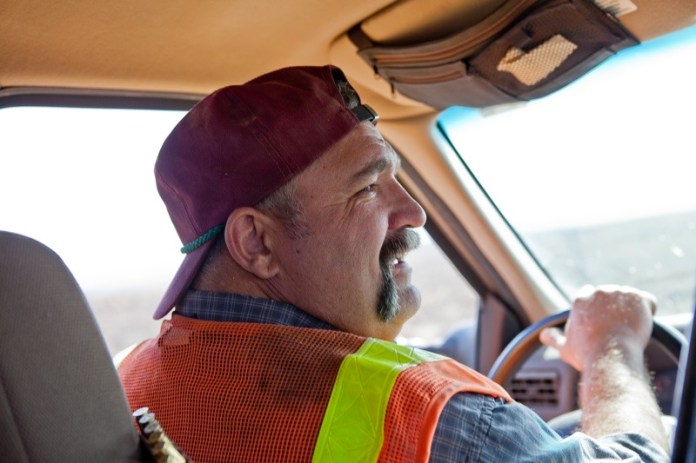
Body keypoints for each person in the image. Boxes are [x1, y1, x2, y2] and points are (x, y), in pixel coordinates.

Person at [118, 65, 670, 462]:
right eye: (367, 188)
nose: (414, 212)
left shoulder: (126, 382)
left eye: (396, 178)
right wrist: (613, 348)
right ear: (257, 243)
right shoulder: (428, 416)